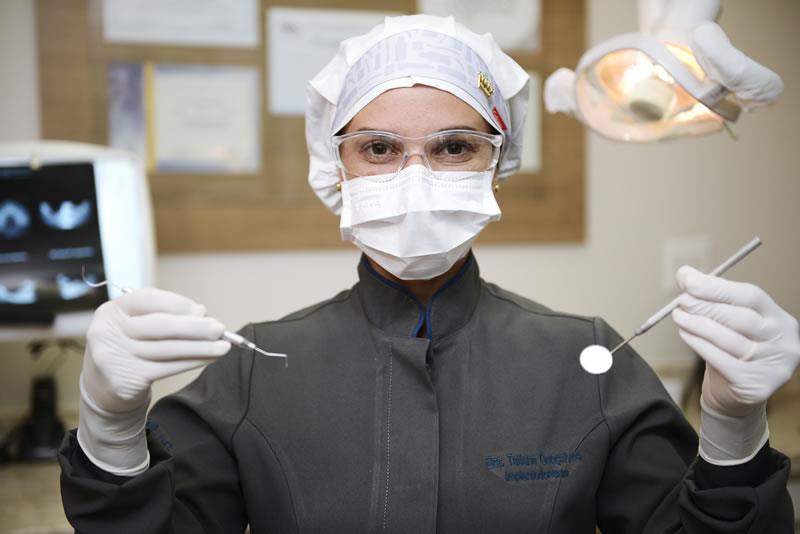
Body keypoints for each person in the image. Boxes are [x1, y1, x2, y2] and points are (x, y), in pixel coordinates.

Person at [59, 15, 798, 533]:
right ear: (337, 168)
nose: (415, 175)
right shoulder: (256, 367)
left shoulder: (590, 362)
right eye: (379, 149)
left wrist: (733, 432)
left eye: (453, 147)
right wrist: (110, 431)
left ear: (497, 166)